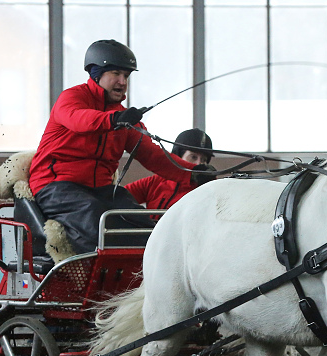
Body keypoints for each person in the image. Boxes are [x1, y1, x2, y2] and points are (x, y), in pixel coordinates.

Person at [28, 39, 216, 253]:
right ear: (96, 74)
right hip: (56, 185)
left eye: (126, 76)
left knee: (144, 226)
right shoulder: (72, 98)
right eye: (116, 74)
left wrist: (193, 173)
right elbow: (79, 120)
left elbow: (152, 155)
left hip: (101, 190)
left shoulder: (125, 119)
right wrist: (115, 119)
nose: (122, 81)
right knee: (96, 218)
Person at [125, 128, 215, 210]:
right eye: (193, 157)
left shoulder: (207, 190)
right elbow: (121, 196)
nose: (198, 163)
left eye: (204, 160)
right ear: (177, 157)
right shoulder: (154, 183)